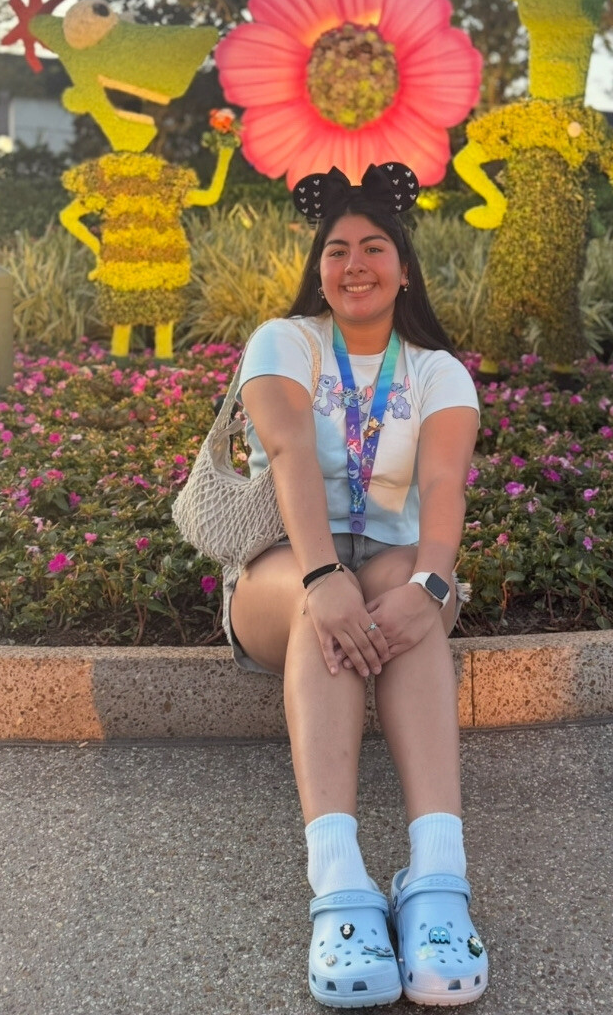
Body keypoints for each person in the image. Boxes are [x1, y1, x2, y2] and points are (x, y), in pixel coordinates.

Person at [225, 162, 489, 1008]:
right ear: (320, 269)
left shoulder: (437, 372)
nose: (354, 264)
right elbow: (291, 451)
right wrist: (320, 574)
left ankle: (436, 879)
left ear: (404, 269)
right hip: (281, 566)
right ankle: (339, 884)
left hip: (394, 564)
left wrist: (432, 587)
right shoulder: (284, 341)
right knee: (322, 610)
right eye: (336, 250)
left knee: (408, 598)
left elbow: (443, 487)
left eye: (374, 247)